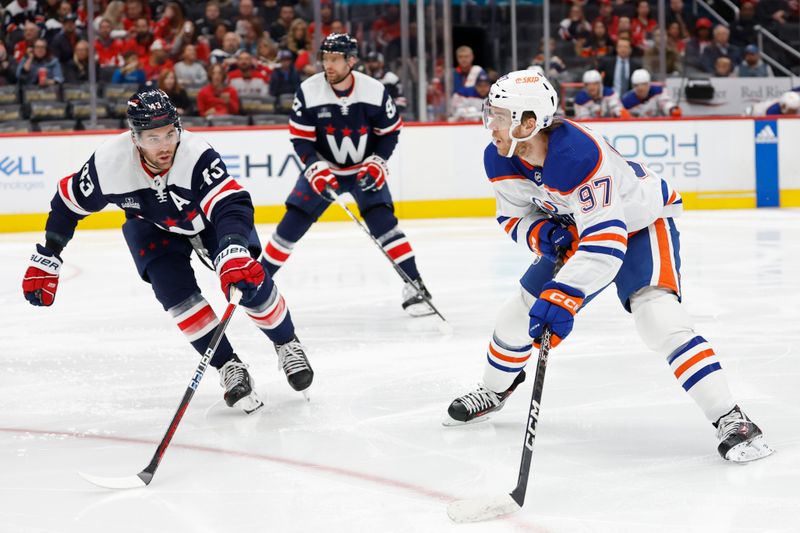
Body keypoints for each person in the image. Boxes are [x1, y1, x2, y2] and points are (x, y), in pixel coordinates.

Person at [443, 70, 774, 464]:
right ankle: (494, 390)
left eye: (499, 115)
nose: (490, 124)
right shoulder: (499, 157)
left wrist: (565, 294)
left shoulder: (576, 154)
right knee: (516, 315)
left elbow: (607, 240)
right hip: (580, 233)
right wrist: (546, 237)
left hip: (638, 226)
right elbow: (513, 218)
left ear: (528, 123)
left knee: (658, 318)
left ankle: (731, 417)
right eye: (490, 113)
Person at [21, 89, 313, 413]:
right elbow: (67, 203)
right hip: (152, 226)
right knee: (176, 296)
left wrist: (232, 249)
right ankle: (228, 365)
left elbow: (231, 204)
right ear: (134, 137)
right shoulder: (108, 164)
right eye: (152, 137)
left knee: (249, 285)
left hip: (209, 221)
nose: (164, 145)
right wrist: (49, 254)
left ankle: (287, 343)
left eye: (170, 133)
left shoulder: (195, 154)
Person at [264, 33, 436, 317]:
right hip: (324, 168)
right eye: (325, 58)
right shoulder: (308, 90)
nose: (327, 65)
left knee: (384, 224)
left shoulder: (373, 90)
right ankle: (259, 281)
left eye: (334, 59)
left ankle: (415, 285)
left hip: (363, 168)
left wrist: (378, 161)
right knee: (290, 226)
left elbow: (389, 132)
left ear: (351, 60)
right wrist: (314, 165)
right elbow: (300, 138)